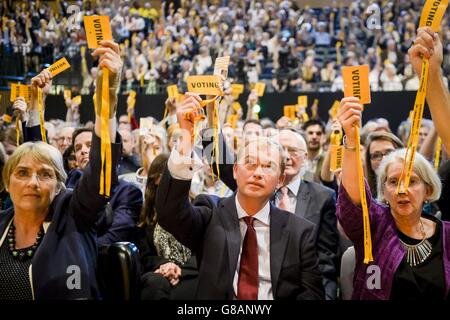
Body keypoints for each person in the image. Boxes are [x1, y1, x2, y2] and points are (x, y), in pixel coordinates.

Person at [155, 92, 324, 299]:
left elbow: (312, 294)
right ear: (235, 171)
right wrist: (186, 138)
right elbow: (169, 213)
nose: (257, 172)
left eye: (268, 166)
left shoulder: (300, 232)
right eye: (250, 163)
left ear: (280, 180)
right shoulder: (210, 215)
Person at [0, 40, 123, 299]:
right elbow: (35, 152)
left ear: (59, 184)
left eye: (45, 175)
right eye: (21, 173)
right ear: (7, 181)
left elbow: (100, 175)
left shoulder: (73, 214)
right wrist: (36, 103)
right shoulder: (2, 223)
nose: (32, 181)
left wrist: (106, 102)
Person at [337, 96, 448, 300]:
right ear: (384, 192)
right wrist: (351, 140)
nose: (402, 190)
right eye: (393, 182)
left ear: (429, 191)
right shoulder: (374, 227)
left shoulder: (447, 235)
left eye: (412, 181)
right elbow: (354, 202)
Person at [275, 129, 339, 299]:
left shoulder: (323, 197)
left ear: (304, 159)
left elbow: (326, 261)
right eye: (281, 150)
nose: (287, 156)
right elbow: (219, 162)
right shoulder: (257, 192)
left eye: (293, 151)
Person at [138, 154, 198, 300]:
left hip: (191, 272)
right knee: (153, 283)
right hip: (160, 274)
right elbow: (145, 257)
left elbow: (207, 249)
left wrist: (180, 270)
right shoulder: (147, 216)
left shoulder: (197, 207)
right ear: (156, 181)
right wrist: (166, 265)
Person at [364, 132, 404, 197]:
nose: (384, 159)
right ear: (369, 164)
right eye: (376, 155)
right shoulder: (365, 199)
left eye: (389, 152)